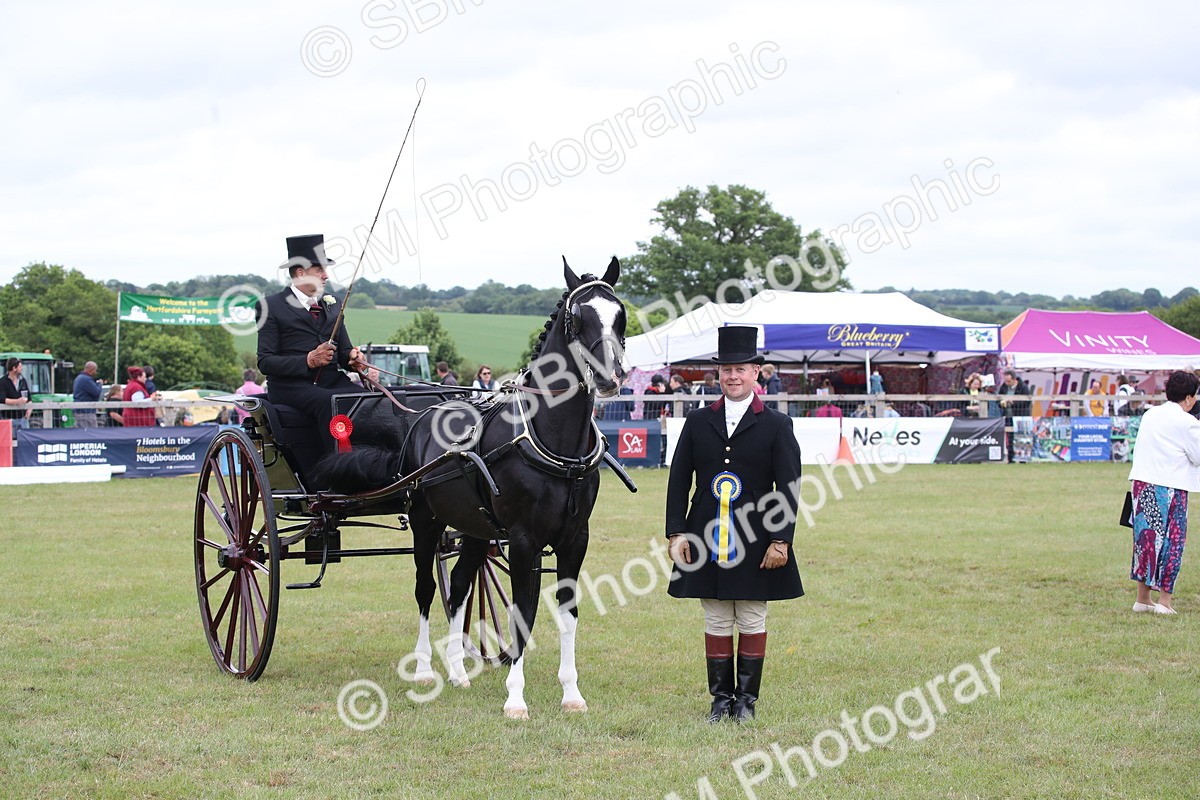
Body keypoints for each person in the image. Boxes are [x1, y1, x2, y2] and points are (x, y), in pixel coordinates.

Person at [666, 325, 803, 723]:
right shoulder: (696, 422)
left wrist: (781, 540)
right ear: (718, 374)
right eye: (726, 369)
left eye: (741, 369)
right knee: (716, 616)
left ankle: (746, 700)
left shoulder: (777, 424)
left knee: (751, 616)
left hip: (757, 536)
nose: (733, 376)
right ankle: (720, 698)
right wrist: (676, 532)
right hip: (704, 532)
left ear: (756, 373)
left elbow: (789, 486)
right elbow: (678, 480)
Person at [256, 234, 367, 452]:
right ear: (301, 273)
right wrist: (308, 360)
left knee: (368, 399)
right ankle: (341, 467)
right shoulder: (271, 307)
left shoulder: (333, 307)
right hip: (290, 386)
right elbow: (265, 362)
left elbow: (344, 352)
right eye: (320, 270)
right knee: (331, 401)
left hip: (331, 380)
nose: (326, 276)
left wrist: (353, 359)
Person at [1127, 371, 1200, 614]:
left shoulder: (1150, 414)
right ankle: (1165, 602)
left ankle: (1143, 598)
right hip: (1171, 486)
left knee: (1145, 541)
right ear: (1189, 398)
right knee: (1172, 542)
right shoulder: (1188, 422)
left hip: (1142, 483)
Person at [1, 357, 32, 429]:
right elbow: (2, 399)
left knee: (24, 440)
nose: (22, 368)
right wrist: (18, 401)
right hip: (7, 419)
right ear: (14, 368)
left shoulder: (23, 380)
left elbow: (29, 398)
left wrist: (30, 409)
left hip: (22, 419)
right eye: (20, 366)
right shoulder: (3, 382)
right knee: (9, 440)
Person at [72, 361, 104, 428]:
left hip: (79, 410)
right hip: (86, 412)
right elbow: (96, 392)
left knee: (81, 433)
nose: (95, 372)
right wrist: (99, 384)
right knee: (91, 433)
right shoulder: (86, 380)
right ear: (91, 370)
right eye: (95, 370)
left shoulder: (78, 378)